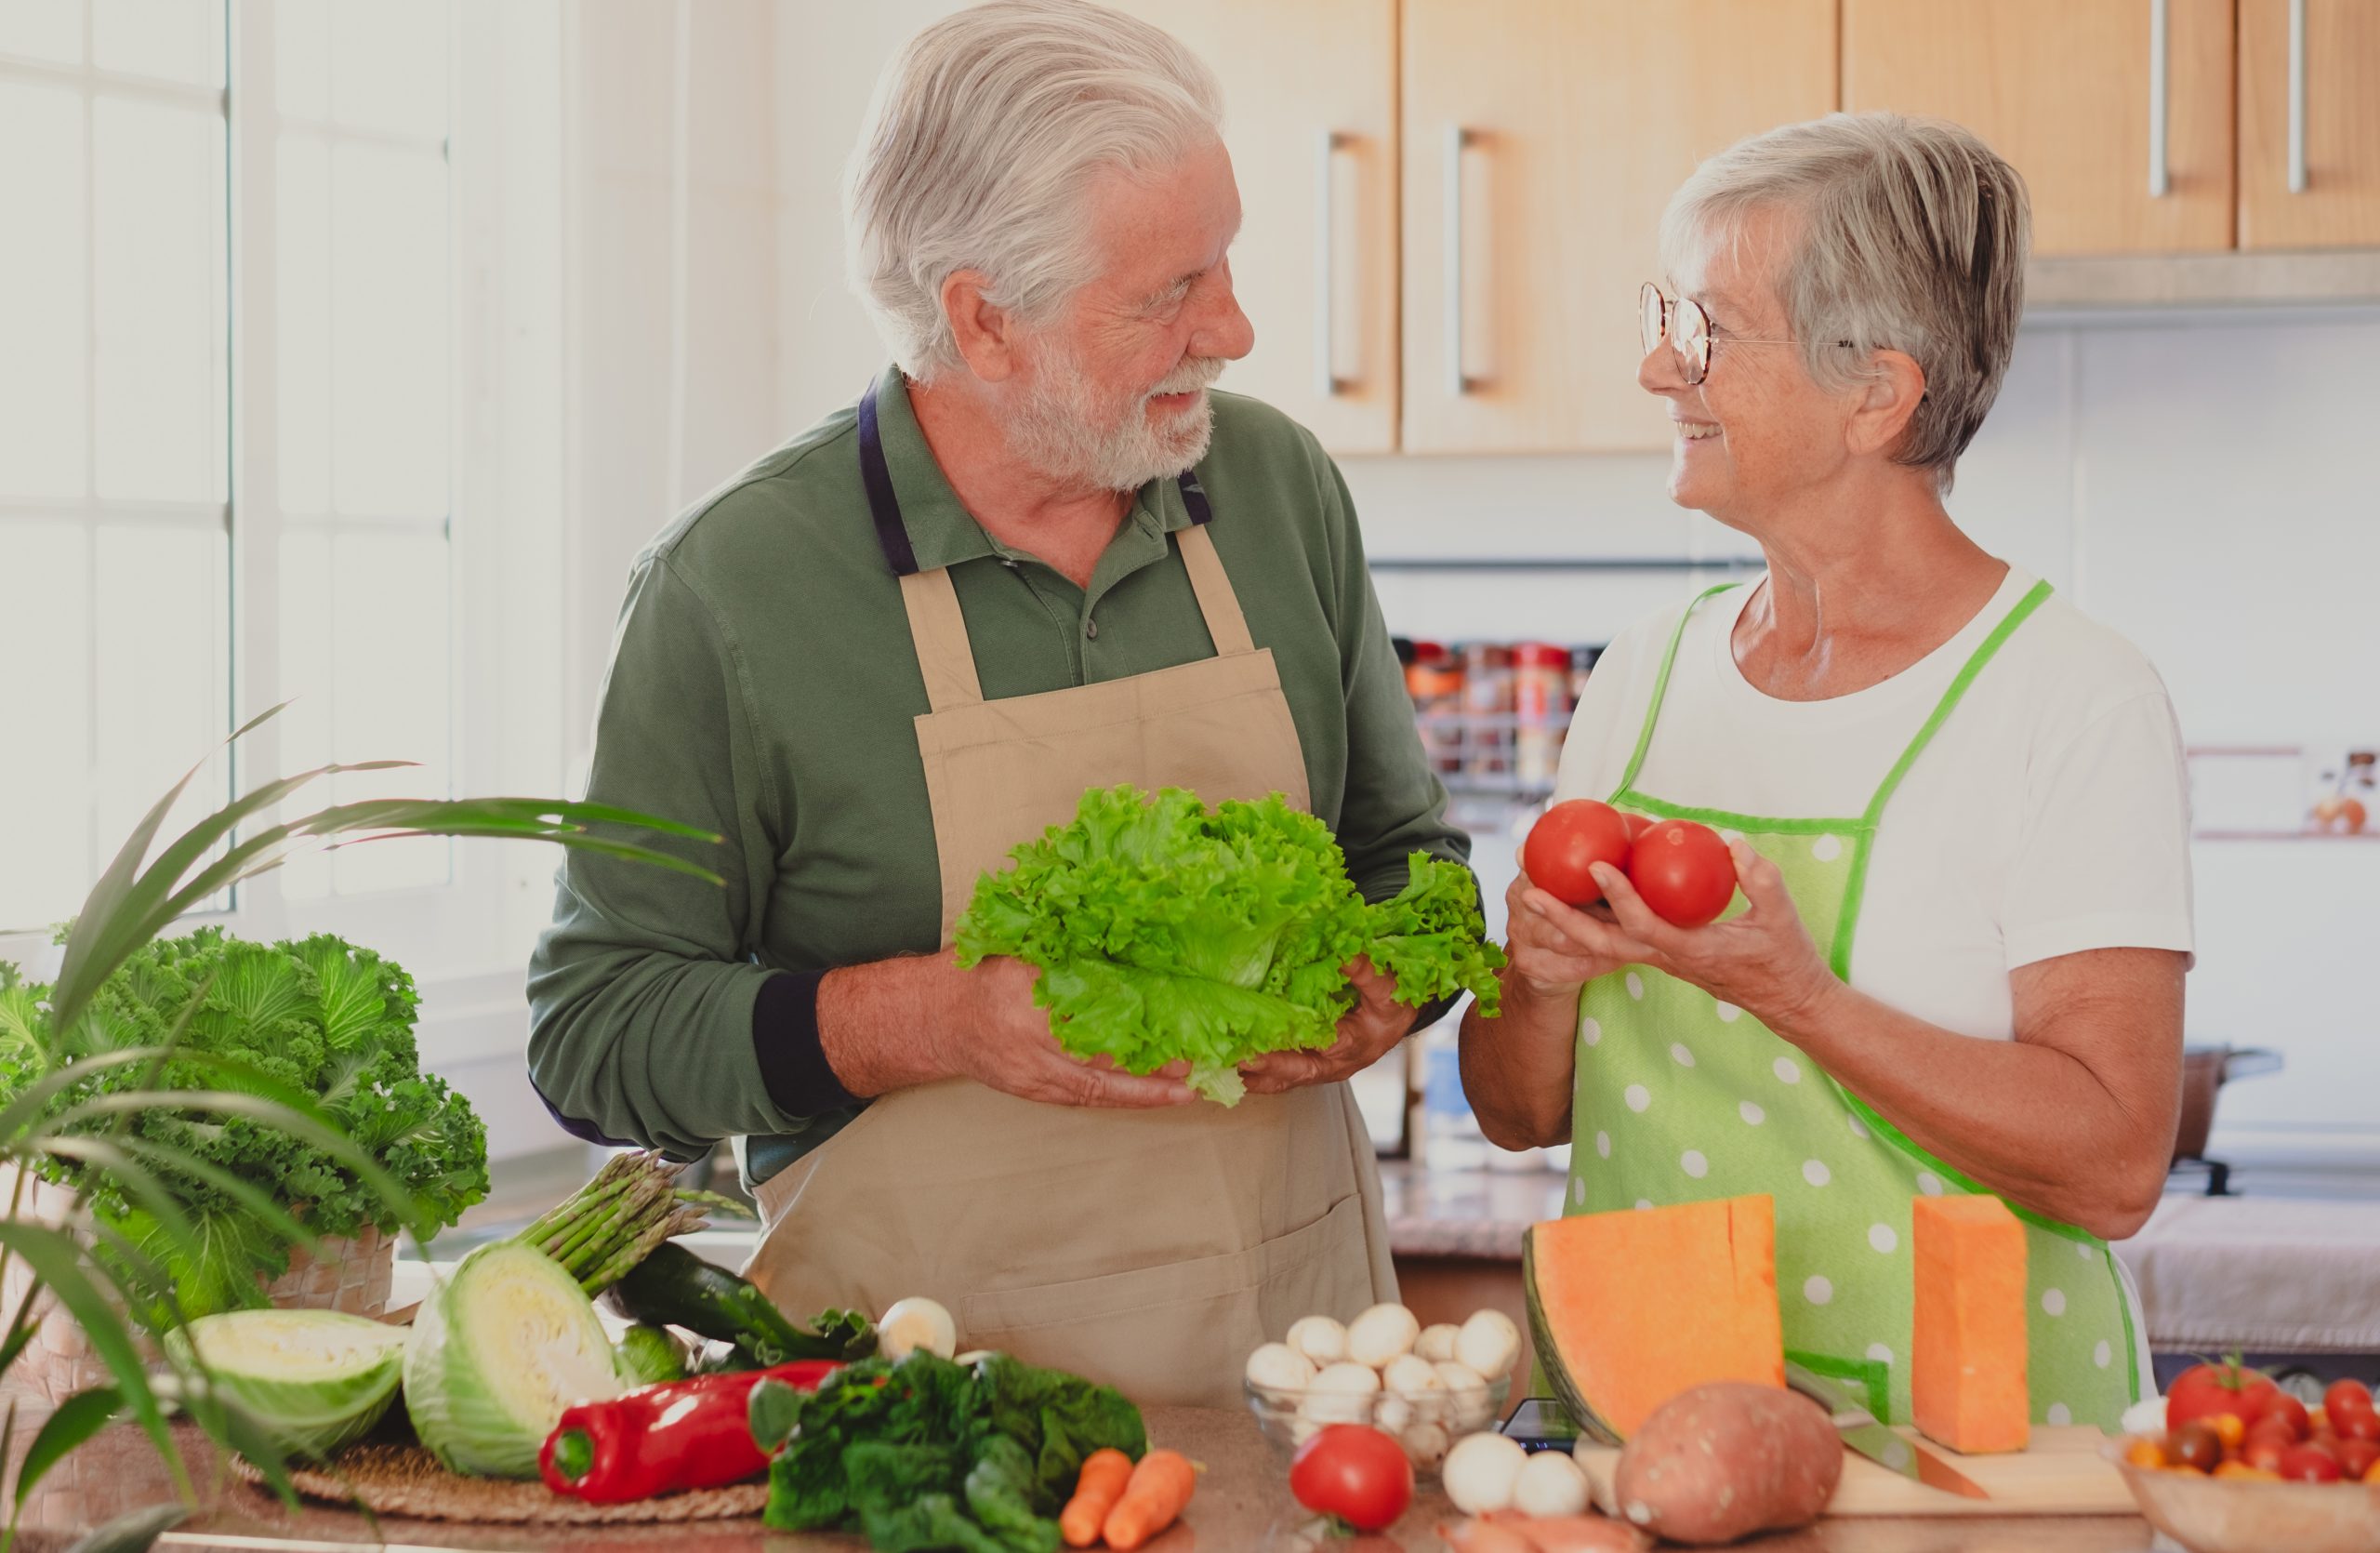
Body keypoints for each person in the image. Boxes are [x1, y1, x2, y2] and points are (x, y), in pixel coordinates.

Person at [527, 0, 1469, 1408]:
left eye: (1227, 261)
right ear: (983, 320)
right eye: (1170, 292)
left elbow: (1420, 869)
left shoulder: (1275, 491)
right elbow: (592, 1028)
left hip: (1306, 1395)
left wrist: (1389, 987)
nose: (1237, 327)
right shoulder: (734, 588)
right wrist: (930, 1018)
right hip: (923, 1432)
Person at [1459, 113, 2192, 1430]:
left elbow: (2116, 1167)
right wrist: (1540, 981)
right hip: (1652, 1436)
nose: (1651, 366)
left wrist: (1802, 997)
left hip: (1975, 1465)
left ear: (1878, 394)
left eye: (1702, 330)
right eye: (1659, 314)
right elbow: (1517, 1113)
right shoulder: (1641, 674)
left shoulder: (2068, 698)